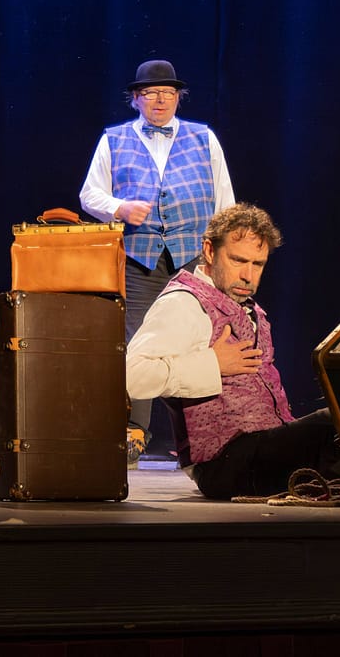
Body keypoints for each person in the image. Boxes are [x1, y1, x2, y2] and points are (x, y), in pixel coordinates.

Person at [125, 204, 340, 499]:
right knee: (337, 424)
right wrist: (212, 364)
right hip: (223, 463)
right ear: (209, 251)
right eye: (238, 260)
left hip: (263, 449)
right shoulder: (184, 303)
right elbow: (130, 375)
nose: (248, 275)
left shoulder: (247, 307)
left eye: (258, 264)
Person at [80, 59, 235, 466]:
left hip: (193, 258)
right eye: (151, 93)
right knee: (139, 344)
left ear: (179, 97)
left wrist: (220, 254)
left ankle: (206, 436)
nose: (161, 100)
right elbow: (90, 195)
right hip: (141, 258)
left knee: (198, 341)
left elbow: (225, 200)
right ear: (135, 99)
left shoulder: (203, 138)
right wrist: (119, 207)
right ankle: (134, 433)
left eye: (168, 93)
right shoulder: (114, 140)